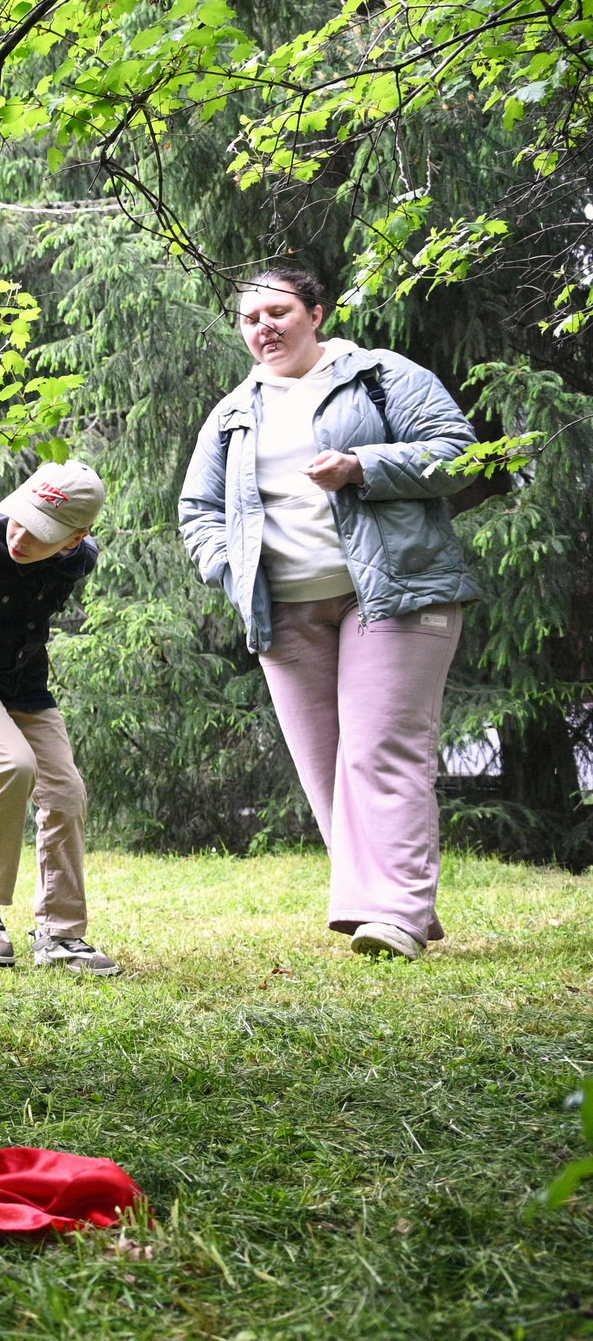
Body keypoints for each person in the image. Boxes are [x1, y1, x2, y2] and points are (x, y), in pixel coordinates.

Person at [178, 265, 481, 960]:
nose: (265, 327)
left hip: (393, 591)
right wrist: (232, 571)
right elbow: (198, 510)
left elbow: (459, 454)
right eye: (251, 318)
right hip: (284, 609)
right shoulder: (234, 412)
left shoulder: (380, 376)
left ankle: (396, 915)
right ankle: (383, 903)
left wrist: (362, 467)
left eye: (278, 311)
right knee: (327, 767)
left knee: (383, 750)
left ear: (316, 313)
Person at [0, 462, 118, 974]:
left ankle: (60, 934)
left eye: (40, 532)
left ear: (74, 538)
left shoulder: (78, 560)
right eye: (18, 518)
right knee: (11, 765)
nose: (20, 536)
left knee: (65, 795)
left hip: (26, 686)